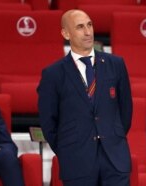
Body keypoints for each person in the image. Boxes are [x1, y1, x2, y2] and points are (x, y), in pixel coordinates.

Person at [37, 9, 133, 186]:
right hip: (76, 162)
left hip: (115, 159)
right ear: (66, 33)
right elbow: (48, 122)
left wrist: (114, 136)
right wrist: (68, 150)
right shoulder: (53, 74)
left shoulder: (116, 64)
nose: (88, 32)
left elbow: (126, 110)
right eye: (80, 27)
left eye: (89, 25)